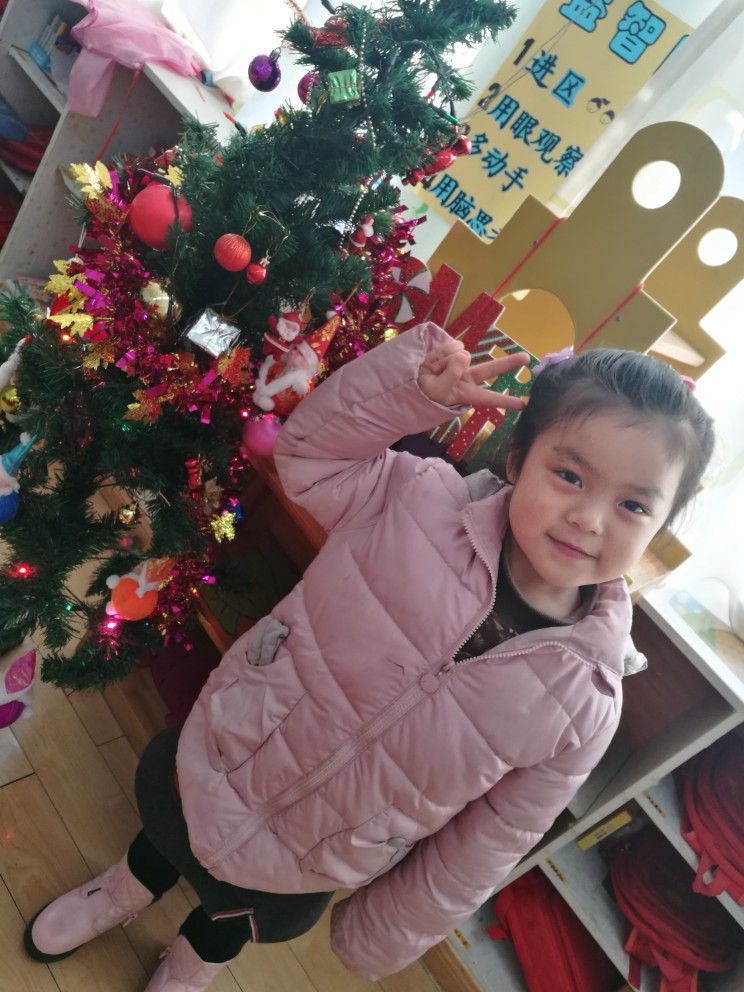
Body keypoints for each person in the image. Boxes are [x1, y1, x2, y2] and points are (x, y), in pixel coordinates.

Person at [24, 322, 715, 989]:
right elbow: (308, 458)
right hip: (236, 747)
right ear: (517, 461)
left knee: (239, 913)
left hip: (323, 847)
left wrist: (389, 928)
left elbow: (491, 840)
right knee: (167, 829)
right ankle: (124, 888)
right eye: (569, 475)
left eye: (633, 506)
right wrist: (408, 391)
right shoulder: (417, 498)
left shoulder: (587, 701)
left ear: (657, 528)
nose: (589, 519)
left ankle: (193, 965)